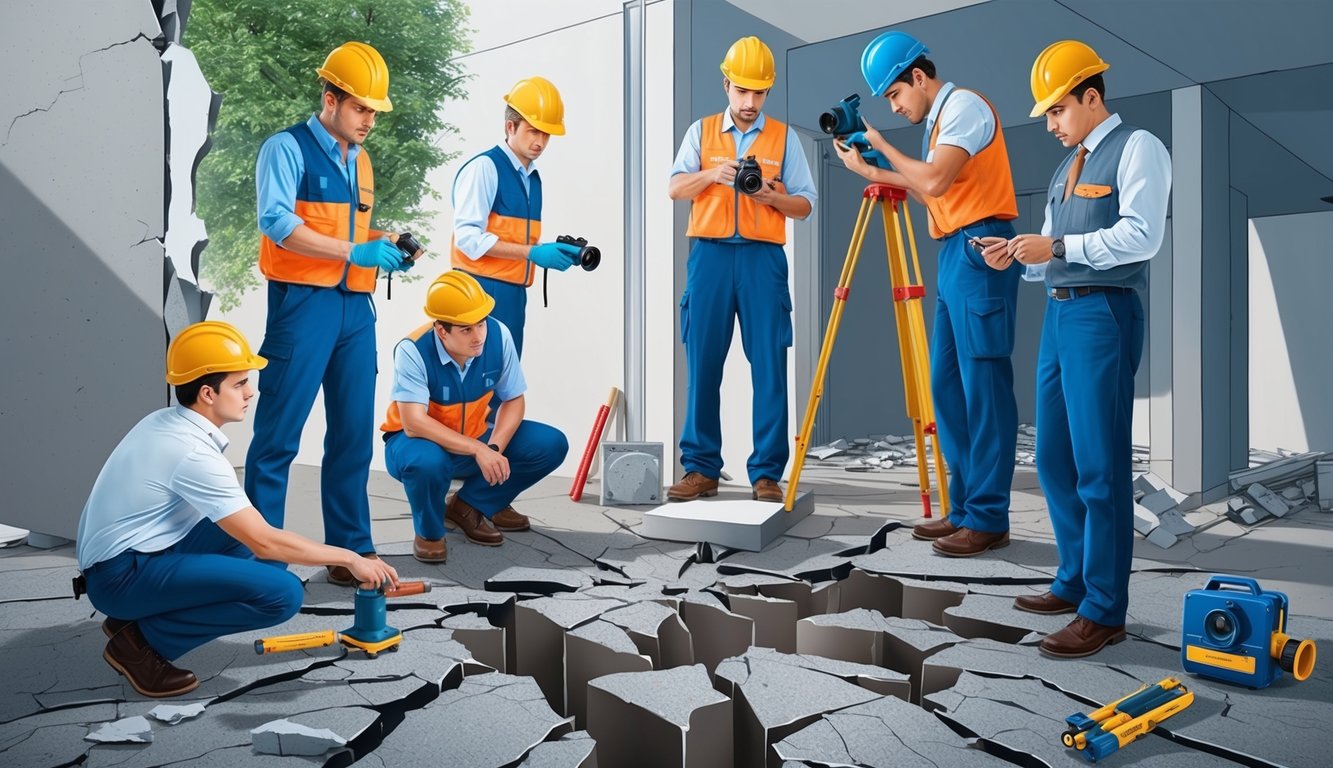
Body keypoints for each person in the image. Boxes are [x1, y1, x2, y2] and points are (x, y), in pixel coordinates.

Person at [76, 321, 400, 698]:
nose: (251, 391)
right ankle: (141, 643)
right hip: (119, 578)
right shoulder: (192, 452)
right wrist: (351, 558)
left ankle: (133, 617)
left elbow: (255, 535)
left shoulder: (166, 422)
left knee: (248, 529)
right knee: (282, 593)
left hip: (126, 560)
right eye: (240, 383)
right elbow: (265, 543)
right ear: (208, 393)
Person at [978, 40, 1171, 658]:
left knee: (1099, 464)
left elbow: (1142, 237)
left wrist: (1056, 249)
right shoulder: (1067, 169)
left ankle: (1104, 608)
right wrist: (1017, 256)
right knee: (1056, 460)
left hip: (1103, 315)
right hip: (1060, 318)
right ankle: (1074, 578)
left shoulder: (1138, 148)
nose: (1052, 124)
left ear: (1092, 96)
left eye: (1058, 111)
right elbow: (1053, 254)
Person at [834, 31, 1021, 558]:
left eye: (894, 95)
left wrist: (883, 148)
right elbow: (927, 189)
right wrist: (873, 167)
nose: (894, 106)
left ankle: (988, 518)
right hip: (955, 252)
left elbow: (936, 182)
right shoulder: (940, 122)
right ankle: (964, 509)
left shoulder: (963, 106)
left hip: (982, 248)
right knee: (950, 387)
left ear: (918, 76)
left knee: (983, 389)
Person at [245, 42, 411, 586]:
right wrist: (352, 252)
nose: (369, 121)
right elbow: (276, 222)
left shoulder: (361, 161)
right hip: (302, 306)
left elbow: (351, 232)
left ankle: (351, 552)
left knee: (353, 436)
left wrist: (385, 244)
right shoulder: (285, 148)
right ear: (330, 98)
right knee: (278, 436)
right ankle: (261, 561)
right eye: (361, 108)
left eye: (374, 112)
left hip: (355, 311)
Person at [666, 36, 817, 504]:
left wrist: (771, 196)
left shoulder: (785, 138)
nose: (750, 103)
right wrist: (714, 174)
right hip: (708, 258)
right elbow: (674, 188)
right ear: (726, 84)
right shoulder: (701, 132)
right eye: (743, 91)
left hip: (762, 261)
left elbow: (806, 204)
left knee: (770, 366)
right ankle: (701, 468)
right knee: (703, 365)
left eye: (760, 93)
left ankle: (767, 473)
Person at [380, 271, 569, 561]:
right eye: (466, 329)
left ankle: (470, 506)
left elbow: (514, 400)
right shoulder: (413, 350)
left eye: (480, 324)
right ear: (441, 330)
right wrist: (478, 450)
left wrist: (493, 448)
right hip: (415, 442)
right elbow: (414, 422)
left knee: (550, 443)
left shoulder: (498, 334)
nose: (479, 336)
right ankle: (429, 532)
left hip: (475, 436)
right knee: (427, 463)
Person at [451, 76, 583, 357]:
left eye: (546, 134)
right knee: (478, 387)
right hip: (479, 291)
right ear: (510, 126)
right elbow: (467, 239)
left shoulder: (532, 178)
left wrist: (551, 252)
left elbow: (513, 236)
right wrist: (532, 253)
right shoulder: (485, 168)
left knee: (504, 384)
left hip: (513, 294)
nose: (540, 142)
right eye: (533, 131)